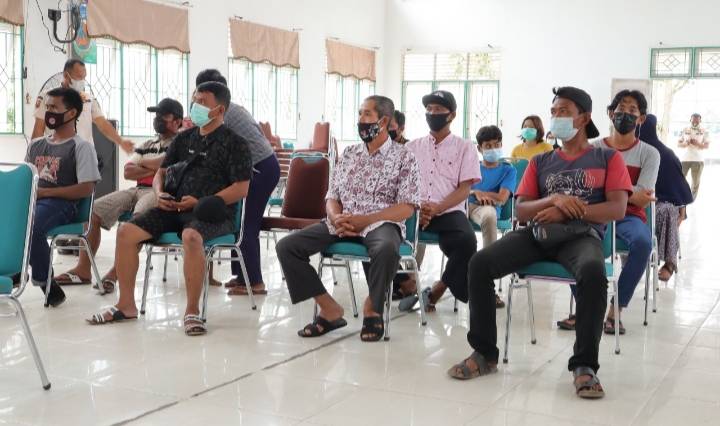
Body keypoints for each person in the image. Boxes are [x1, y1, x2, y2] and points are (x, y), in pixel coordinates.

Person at [448, 87, 631, 401]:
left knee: (593, 273)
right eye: (554, 111)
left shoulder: (607, 158)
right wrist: (554, 200)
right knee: (480, 263)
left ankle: (584, 365)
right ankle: (484, 353)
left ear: (584, 118)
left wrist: (569, 211)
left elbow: (617, 208)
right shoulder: (541, 161)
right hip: (538, 234)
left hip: (581, 236)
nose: (556, 117)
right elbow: (521, 210)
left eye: (564, 111)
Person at [86, 82, 252, 336]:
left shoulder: (235, 143)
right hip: (173, 207)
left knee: (191, 236)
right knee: (126, 232)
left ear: (219, 110)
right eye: (194, 99)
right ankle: (126, 305)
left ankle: (192, 311)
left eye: (202, 102)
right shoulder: (184, 139)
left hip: (212, 212)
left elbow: (241, 188)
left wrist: (202, 201)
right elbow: (161, 172)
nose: (195, 105)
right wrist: (158, 193)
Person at [276, 95, 420, 342]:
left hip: (381, 223)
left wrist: (366, 220)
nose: (361, 119)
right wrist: (335, 217)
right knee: (288, 247)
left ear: (384, 121)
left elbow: (407, 207)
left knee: (386, 247)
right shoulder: (350, 154)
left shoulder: (404, 157)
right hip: (342, 223)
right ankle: (329, 309)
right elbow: (332, 196)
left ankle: (373, 308)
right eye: (360, 113)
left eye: (367, 114)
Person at [54, 98, 184, 293]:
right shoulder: (148, 143)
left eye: (163, 115)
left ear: (177, 121)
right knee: (93, 211)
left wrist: (147, 164)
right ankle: (83, 270)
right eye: (156, 115)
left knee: (136, 222)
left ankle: (114, 274)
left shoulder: (182, 142)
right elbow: (128, 172)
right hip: (136, 189)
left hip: (159, 191)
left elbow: (164, 166)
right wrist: (156, 166)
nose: (158, 119)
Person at [557, 90, 659, 335]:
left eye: (632, 110)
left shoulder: (649, 154)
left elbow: (643, 196)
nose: (625, 114)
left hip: (629, 216)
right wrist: (627, 190)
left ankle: (615, 310)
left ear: (641, 119)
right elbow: (584, 188)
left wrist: (608, 186)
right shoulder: (592, 148)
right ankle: (585, 307)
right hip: (594, 213)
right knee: (567, 239)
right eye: (621, 109)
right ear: (611, 114)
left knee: (643, 243)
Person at [194, 69, 281, 295]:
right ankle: (241, 275)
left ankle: (254, 282)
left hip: (261, 168)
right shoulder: (232, 109)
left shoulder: (224, 115)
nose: (198, 101)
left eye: (202, 97)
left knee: (246, 223)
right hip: (260, 166)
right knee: (239, 220)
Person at [404, 90, 480, 312]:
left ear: (451, 115)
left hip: (448, 210)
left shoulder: (465, 147)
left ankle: (439, 287)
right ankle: (405, 284)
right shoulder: (411, 147)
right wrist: (417, 209)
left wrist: (437, 208)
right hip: (414, 210)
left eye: (438, 109)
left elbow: (465, 189)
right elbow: (402, 185)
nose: (432, 113)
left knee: (467, 241)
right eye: (429, 109)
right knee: (381, 234)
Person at [25, 87, 101, 307]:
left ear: (71, 113)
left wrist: (47, 193)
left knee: (32, 226)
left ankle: (47, 284)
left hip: (63, 205)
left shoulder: (81, 147)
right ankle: (12, 273)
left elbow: (86, 188)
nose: (48, 112)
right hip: (34, 202)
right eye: (47, 107)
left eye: (53, 107)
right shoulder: (36, 145)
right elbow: (26, 178)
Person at [32, 59, 134, 154]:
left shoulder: (88, 99)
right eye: (79, 77)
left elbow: (103, 124)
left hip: (85, 155)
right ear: (66, 75)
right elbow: (38, 129)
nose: (82, 81)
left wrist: (121, 142)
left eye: (84, 77)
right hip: (57, 156)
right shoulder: (47, 97)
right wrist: (33, 155)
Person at [638, 114, 693, 281]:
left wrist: (682, 208)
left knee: (667, 211)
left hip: (662, 203)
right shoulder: (633, 151)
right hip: (634, 201)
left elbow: (678, 186)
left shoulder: (666, 154)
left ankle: (669, 263)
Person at [678, 113, 710, 200]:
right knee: (680, 178)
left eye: (697, 120)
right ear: (690, 120)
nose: (695, 122)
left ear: (700, 120)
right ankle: (680, 195)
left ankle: (691, 199)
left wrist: (698, 144)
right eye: (693, 120)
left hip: (698, 159)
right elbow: (678, 144)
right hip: (685, 158)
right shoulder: (685, 129)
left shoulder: (704, 130)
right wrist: (685, 143)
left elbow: (707, 146)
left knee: (695, 181)